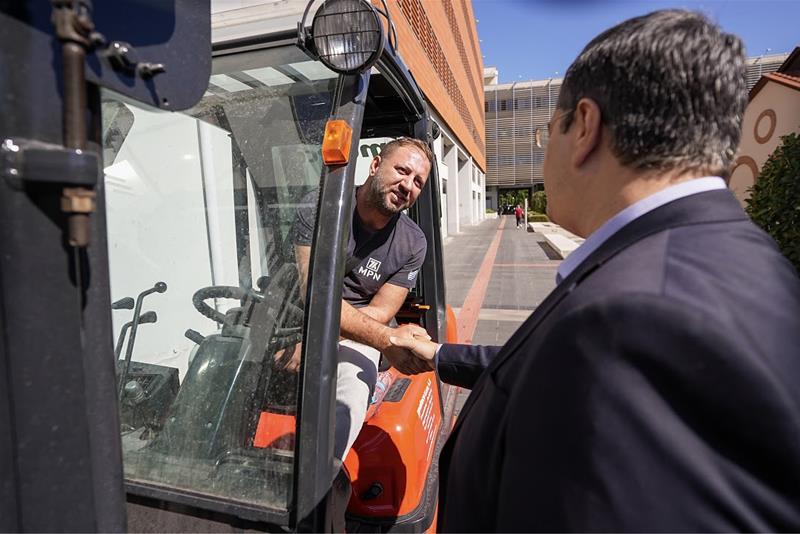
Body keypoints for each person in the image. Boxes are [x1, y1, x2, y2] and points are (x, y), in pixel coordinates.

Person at [390, 10, 800, 531]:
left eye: (546, 135)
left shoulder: (641, 313)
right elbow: (557, 368)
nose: (544, 156)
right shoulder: (723, 258)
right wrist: (440, 355)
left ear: (584, 127)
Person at [285, 137, 433, 467]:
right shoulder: (320, 207)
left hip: (361, 329)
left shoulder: (412, 243)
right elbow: (312, 292)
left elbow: (381, 311)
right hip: (303, 317)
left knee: (352, 389)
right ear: (375, 165)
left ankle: (319, 478)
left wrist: (318, 343)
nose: (407, 185)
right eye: (402, 170)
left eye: (417, 182)